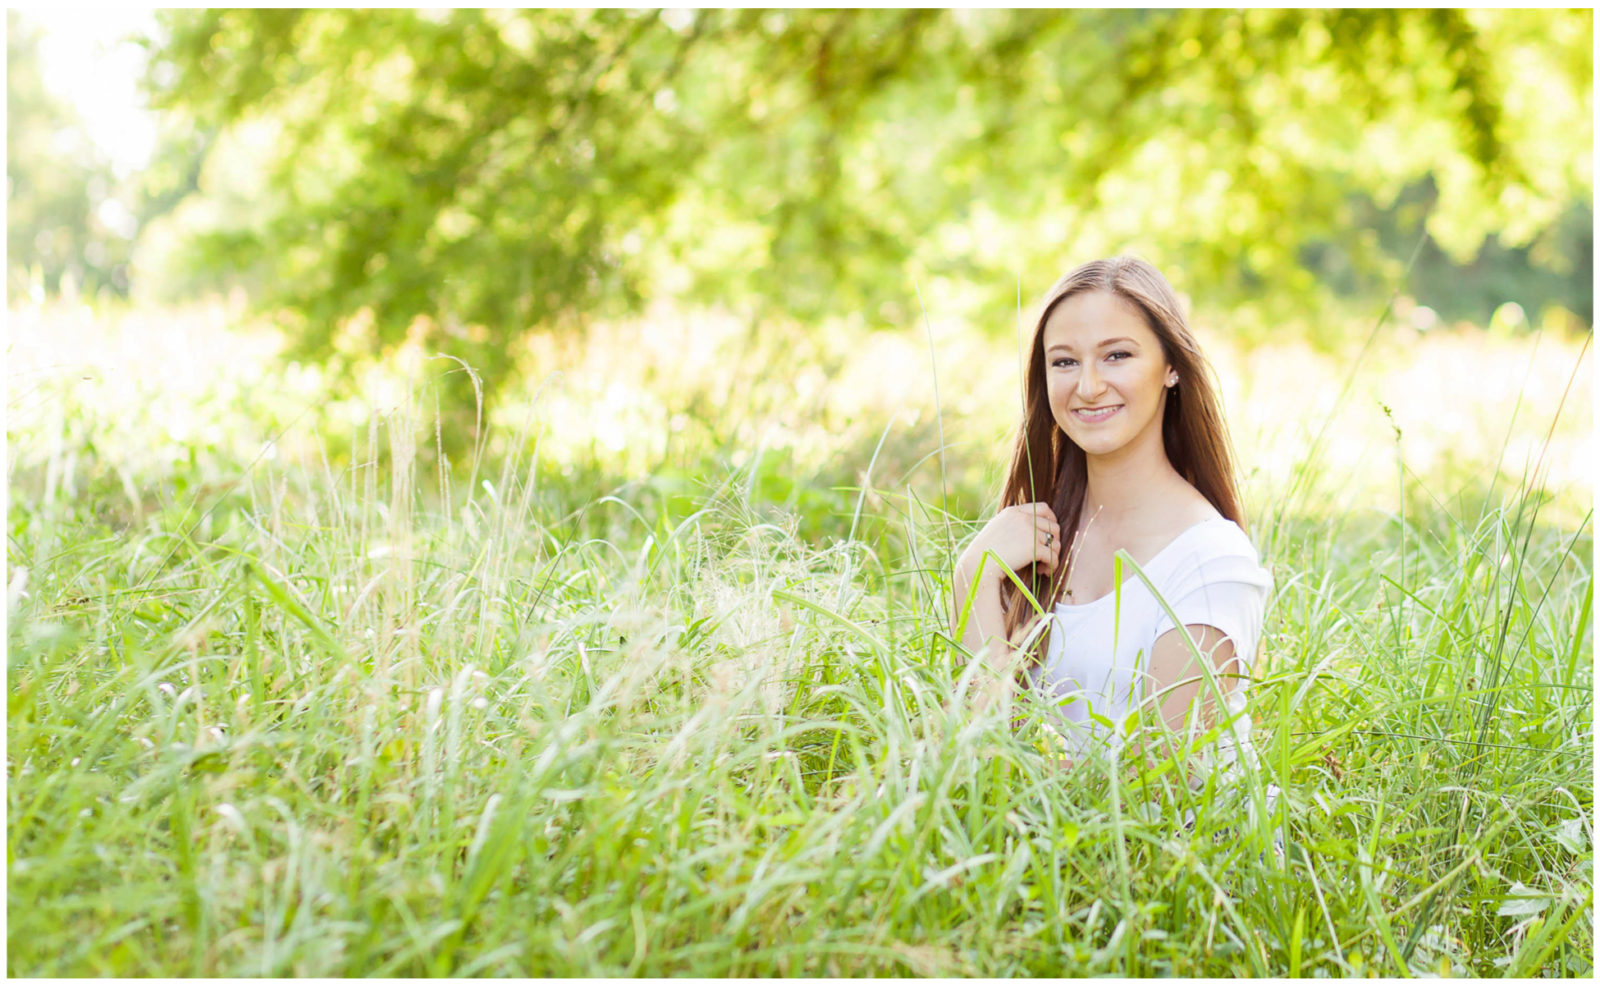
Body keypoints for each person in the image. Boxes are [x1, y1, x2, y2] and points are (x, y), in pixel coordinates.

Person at [950, 256, 1272, 770]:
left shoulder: (1213, 562)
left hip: (1183, 849)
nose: (1089, 385)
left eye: (1117, 355)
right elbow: (975, 759)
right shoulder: (1032, 536)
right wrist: (973, 577)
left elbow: (1153, 789)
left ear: (1171, 367)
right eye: (1064, 362)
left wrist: (1006, 772)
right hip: (1042, 844)